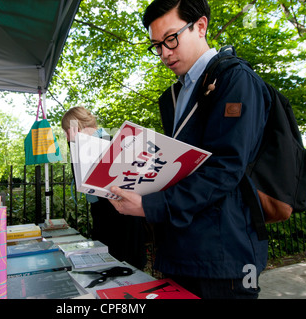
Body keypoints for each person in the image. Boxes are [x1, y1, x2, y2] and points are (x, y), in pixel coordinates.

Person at [108, 0, 271, 299]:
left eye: (171, 39)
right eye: (157, 45)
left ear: (201, 26)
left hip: (225, 258)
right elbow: (183, 167)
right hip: (181, 250)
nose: (164, 53)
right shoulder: (176, 93)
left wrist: (150, 206)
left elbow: (225, 168)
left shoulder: (235, 80)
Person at [61, 106, 147, 270]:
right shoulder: (100, 141)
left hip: (120, 217)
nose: (66, 136)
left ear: (76, 127)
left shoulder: (106, 143)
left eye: (66, 131)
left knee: (124, 267)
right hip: (106, 214)